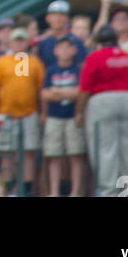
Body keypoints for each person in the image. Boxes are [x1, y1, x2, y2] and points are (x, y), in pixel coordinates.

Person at [76, 23, 128, 198]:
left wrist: (78, 112)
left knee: (105, 148)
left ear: (99, 42)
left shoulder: (95, 57)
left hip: (103, 100)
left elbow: (84, 88)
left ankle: (109, 192)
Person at [0, 28, 44, 194]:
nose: (19, 43)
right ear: (10, 42)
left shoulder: (34, 62)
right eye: (16, 40)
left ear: (27, 42)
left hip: (29, 112)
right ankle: (7, 187)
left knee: (28, 151)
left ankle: (25, 188)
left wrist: (43, 112)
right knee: (6, 153)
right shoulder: (2, 61)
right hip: (6, 113)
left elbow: (40, 88)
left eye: (22, 40)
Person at [40, 34, 85, 198]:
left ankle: (76, 192)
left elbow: (81, 92)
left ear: (74, 50)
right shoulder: (51, 70)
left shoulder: (78, 70)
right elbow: (44, 94)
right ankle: (54, 192)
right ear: (55, 50)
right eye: (61, 47)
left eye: (68, 47)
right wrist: (70, 93)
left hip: (74, 116)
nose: (65, 51)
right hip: (54, 116)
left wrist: (58, 92)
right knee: (53, 155)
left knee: (76, 154)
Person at [37, 1, 86, 67]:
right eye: (54, 14)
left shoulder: (76, 41)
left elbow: (81, 66)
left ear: (68, 18)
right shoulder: (44, 43)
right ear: (47, 18)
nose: (58, 18)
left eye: (62, 15)